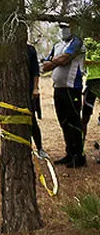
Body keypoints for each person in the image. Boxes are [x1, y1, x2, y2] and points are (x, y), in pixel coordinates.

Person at [42, 23, 86, 167]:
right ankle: (70, 153)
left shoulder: (77, 42)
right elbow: (46, 65)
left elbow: (64, 59)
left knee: (74, 121)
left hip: (72, 88)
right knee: (64, 122)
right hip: (58, 88)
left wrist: (55, 61)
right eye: (62, 28)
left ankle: (79, 156)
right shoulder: (57, 45)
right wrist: (56, 61)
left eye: (67, 27)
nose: (64, 31)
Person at [81, 36, 100, 145]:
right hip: (91, 81)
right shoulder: (88, 42)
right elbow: (82, 61)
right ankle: (80, 148)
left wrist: (91, 62)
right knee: (85, 116)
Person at [27, 43, 45, 156]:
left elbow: (35, 71)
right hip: (13, 92)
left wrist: (35, 88)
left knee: (32, 120)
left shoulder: (30, 50)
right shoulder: (5, 50)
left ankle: (40, 148)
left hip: (28, 91)